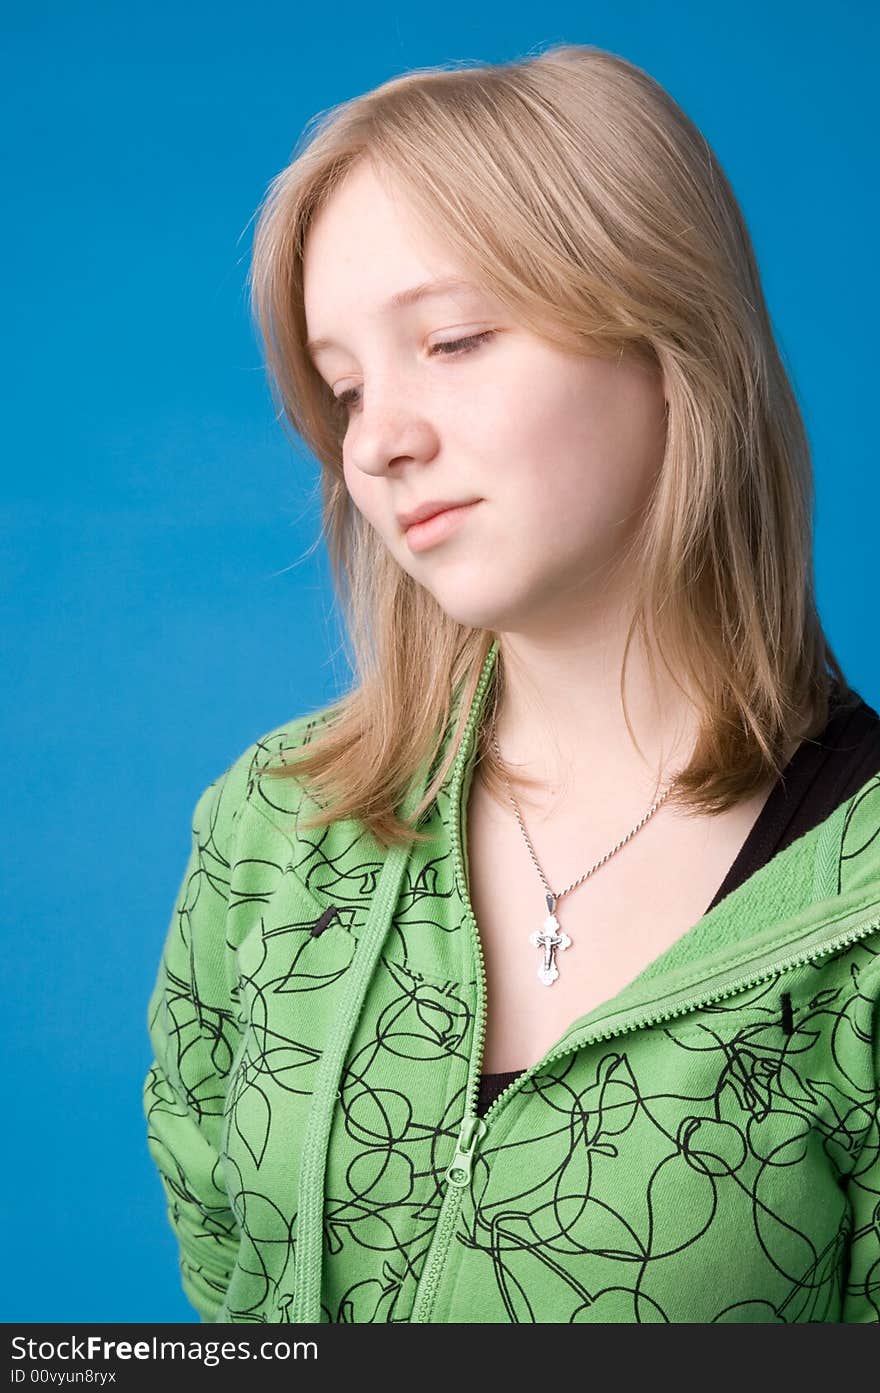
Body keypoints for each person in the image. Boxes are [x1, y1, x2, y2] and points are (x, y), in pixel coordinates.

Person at [142, 44, 880, 1324]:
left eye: (455, 339)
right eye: (344, 388)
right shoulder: (268, 829)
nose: (376, 441)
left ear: (667, 336)